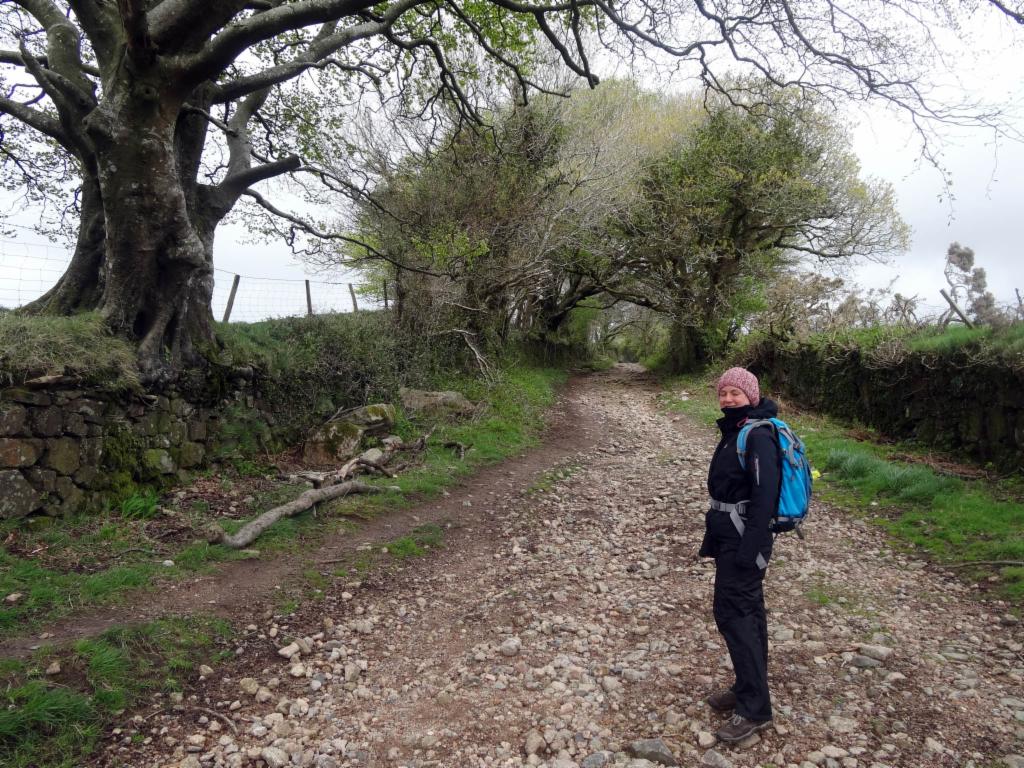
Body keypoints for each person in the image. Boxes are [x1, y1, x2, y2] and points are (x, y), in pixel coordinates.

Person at [699, 366, 781, 743]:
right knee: (747, 615)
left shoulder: (758, 434)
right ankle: (748, 686)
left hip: (744, 542)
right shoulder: (737, 429)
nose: (728, 398)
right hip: (730, 537)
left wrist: (750, 550)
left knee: (735, 615)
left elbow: (765, 498)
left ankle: (754, 708)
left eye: (736, 393)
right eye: (724, 393)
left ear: (752, 394)